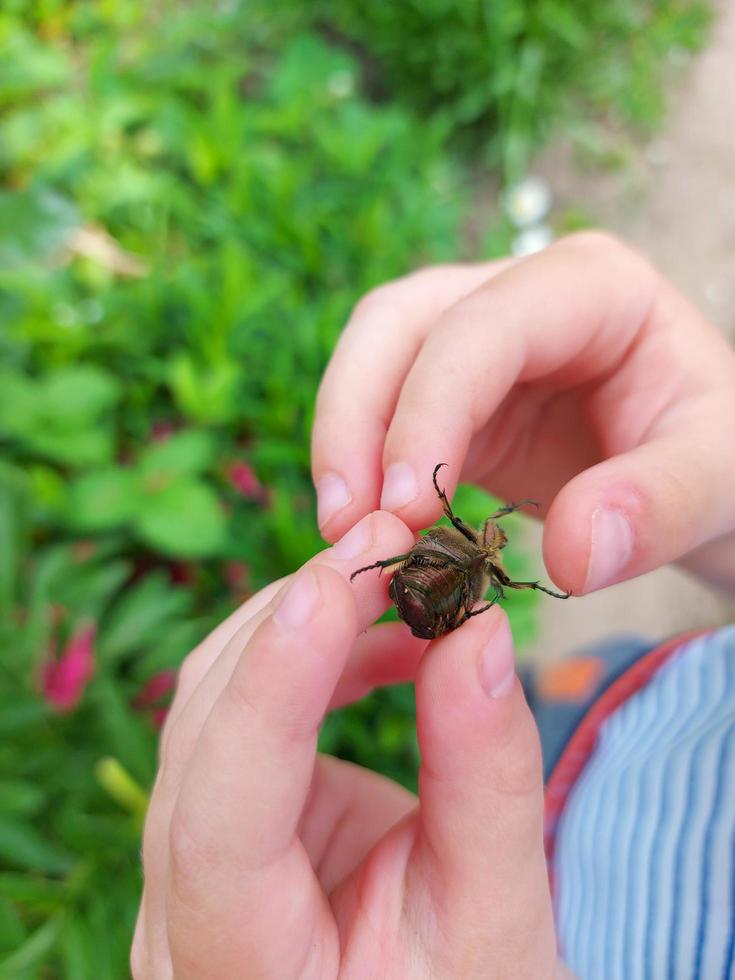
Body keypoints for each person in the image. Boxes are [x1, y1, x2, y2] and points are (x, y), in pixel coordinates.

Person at [131, 233, 735, 979]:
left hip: (511, 674)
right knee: (498, 689)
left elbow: (448, 538)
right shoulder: (473, 560)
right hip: (620, 704)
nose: (492, 537)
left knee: (467, 665)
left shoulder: (474, 566)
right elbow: (443, 528)